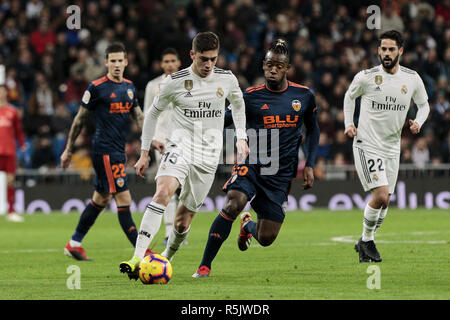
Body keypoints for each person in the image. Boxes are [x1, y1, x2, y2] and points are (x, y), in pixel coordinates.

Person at [119, 31, 249, 279]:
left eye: (213, 58)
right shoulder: (174, 81)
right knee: (162, 192)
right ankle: (137, 256)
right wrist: (144, 152)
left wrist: (241, 136)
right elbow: (152, 115)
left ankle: (165, 258)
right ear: (192, 55)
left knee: (182, 221)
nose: (208, 64)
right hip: (178, 147)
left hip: (208, 156)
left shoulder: (227, 79)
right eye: (203, 59)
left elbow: (239, 105)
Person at [192, 39, 320, 278]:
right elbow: (222, 119)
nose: (273, 69)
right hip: (251, 165)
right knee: (233, 204)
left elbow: (313, 130)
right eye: (269, 65)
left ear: (287, 68)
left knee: (266, 237)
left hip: (280, 175)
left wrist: (310, 164)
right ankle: (204, 266)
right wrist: (195, 124)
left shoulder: (303, 96)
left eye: (279, 66)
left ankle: (247, 226)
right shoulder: (249, 97)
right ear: (263, 66)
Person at [343, 30, 430, 263]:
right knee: (380, 196)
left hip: (392, 147)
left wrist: (418, 123)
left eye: (392, 49)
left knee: (386, 202)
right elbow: (349, 97)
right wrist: (349, 123)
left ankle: (363, 240)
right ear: (378, 51)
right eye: (384, 49)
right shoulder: (366, 76)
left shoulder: (411, 78)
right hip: (367, 144)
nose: (387, 53)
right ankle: (367, 241)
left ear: (400, 51)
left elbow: (424, 105)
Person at [61, 42, 147, 261]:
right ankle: (142, 253)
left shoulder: (129, 87)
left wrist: (152, 139)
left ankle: (74, 243)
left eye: (121, 60)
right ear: (106, 62)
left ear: (126, 62)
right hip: (105, 151)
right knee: (124, 198)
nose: (117, 65)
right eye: (113, 61)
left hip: (117, 151)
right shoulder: (97, 87)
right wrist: (68, 150)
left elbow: (138, 116)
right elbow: (80, 119)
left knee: (100, 199)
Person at [143, 48, 182, 245]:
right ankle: (170, 234)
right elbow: (147, 115)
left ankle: (180, 229)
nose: (169, 64)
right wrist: (151, 141)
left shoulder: (186, 83)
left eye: (172, 61)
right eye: (166, 61)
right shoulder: (152, 86)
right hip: (162, 143)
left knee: (184, 189)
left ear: (179, 63)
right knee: (167, 188)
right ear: (161, 64)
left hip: (184, 140)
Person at [0, 82, 26, 222]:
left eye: (3, 91)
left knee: (10, 181)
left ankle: (11, 211)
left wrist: (22, 144)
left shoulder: (12, 111)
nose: (1, 93)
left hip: (9, 150)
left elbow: (18, 131)